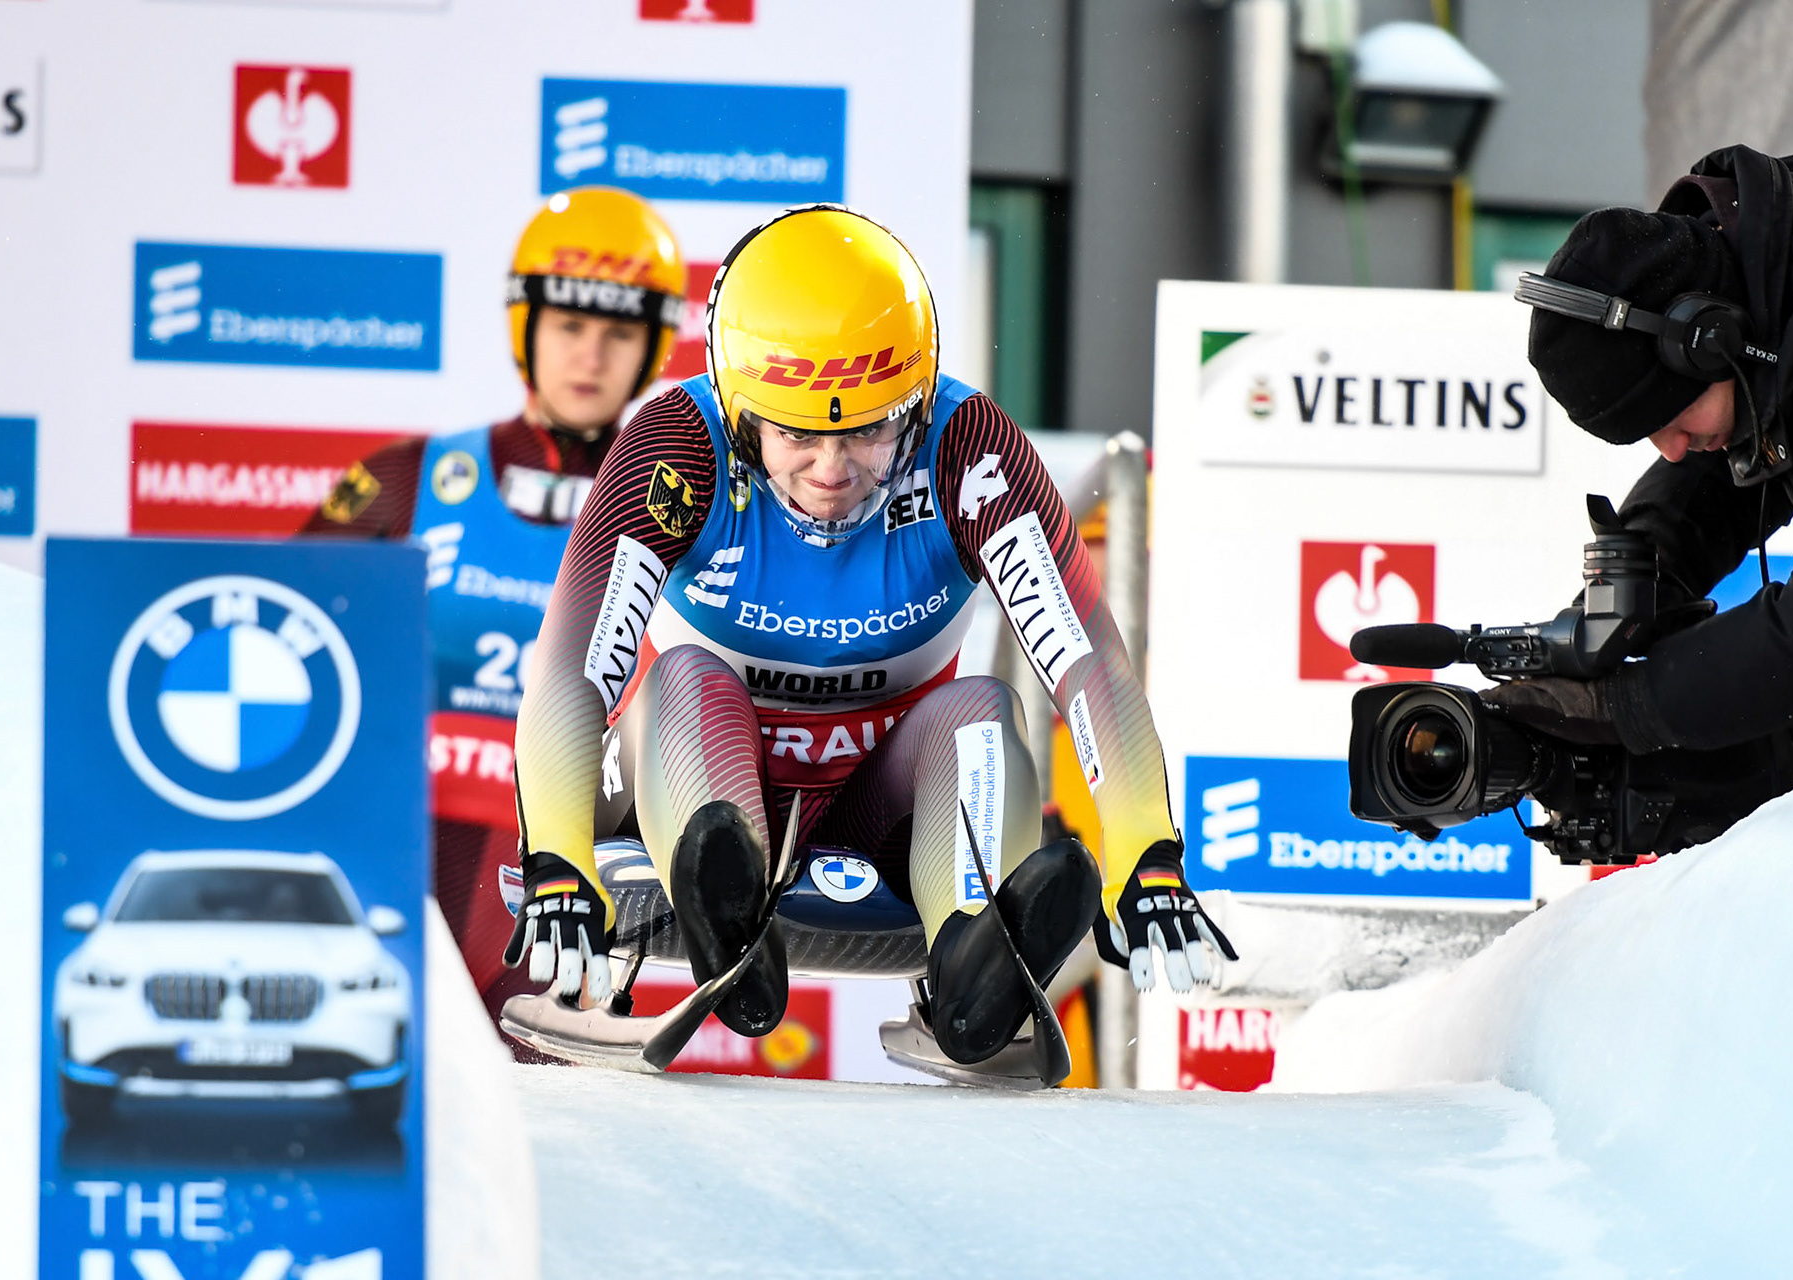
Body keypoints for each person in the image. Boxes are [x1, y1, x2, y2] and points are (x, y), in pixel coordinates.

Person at [502, 204, 1235, 1065]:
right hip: (693, 784)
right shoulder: (677, 447)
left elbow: (1085, 657)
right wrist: (556, 852)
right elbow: (575, 664)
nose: (833, 469)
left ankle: (974, 958)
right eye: (796, 435)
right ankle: (729, 923)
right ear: (740, 417)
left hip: (883, 799)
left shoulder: (970, 450)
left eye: (869, 429)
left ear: (916, 406)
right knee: (687, 676)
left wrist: (1146, 854)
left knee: (980, 706)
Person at [299, 186, 685, 1016]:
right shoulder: (410, 482)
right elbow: (280, 647)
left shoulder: (682, 508)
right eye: (571, 326)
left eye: (619, 332)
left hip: (571, 883)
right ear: (527, 328)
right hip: (399, 864)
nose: (591, 356)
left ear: (652, 347)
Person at [1495, 145, 1793, 756]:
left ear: (1710, 337)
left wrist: (1637, 704)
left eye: (1668, 416)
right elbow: (1738, 448)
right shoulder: (1768, 304)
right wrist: (1633, 589)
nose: (1674, 450)